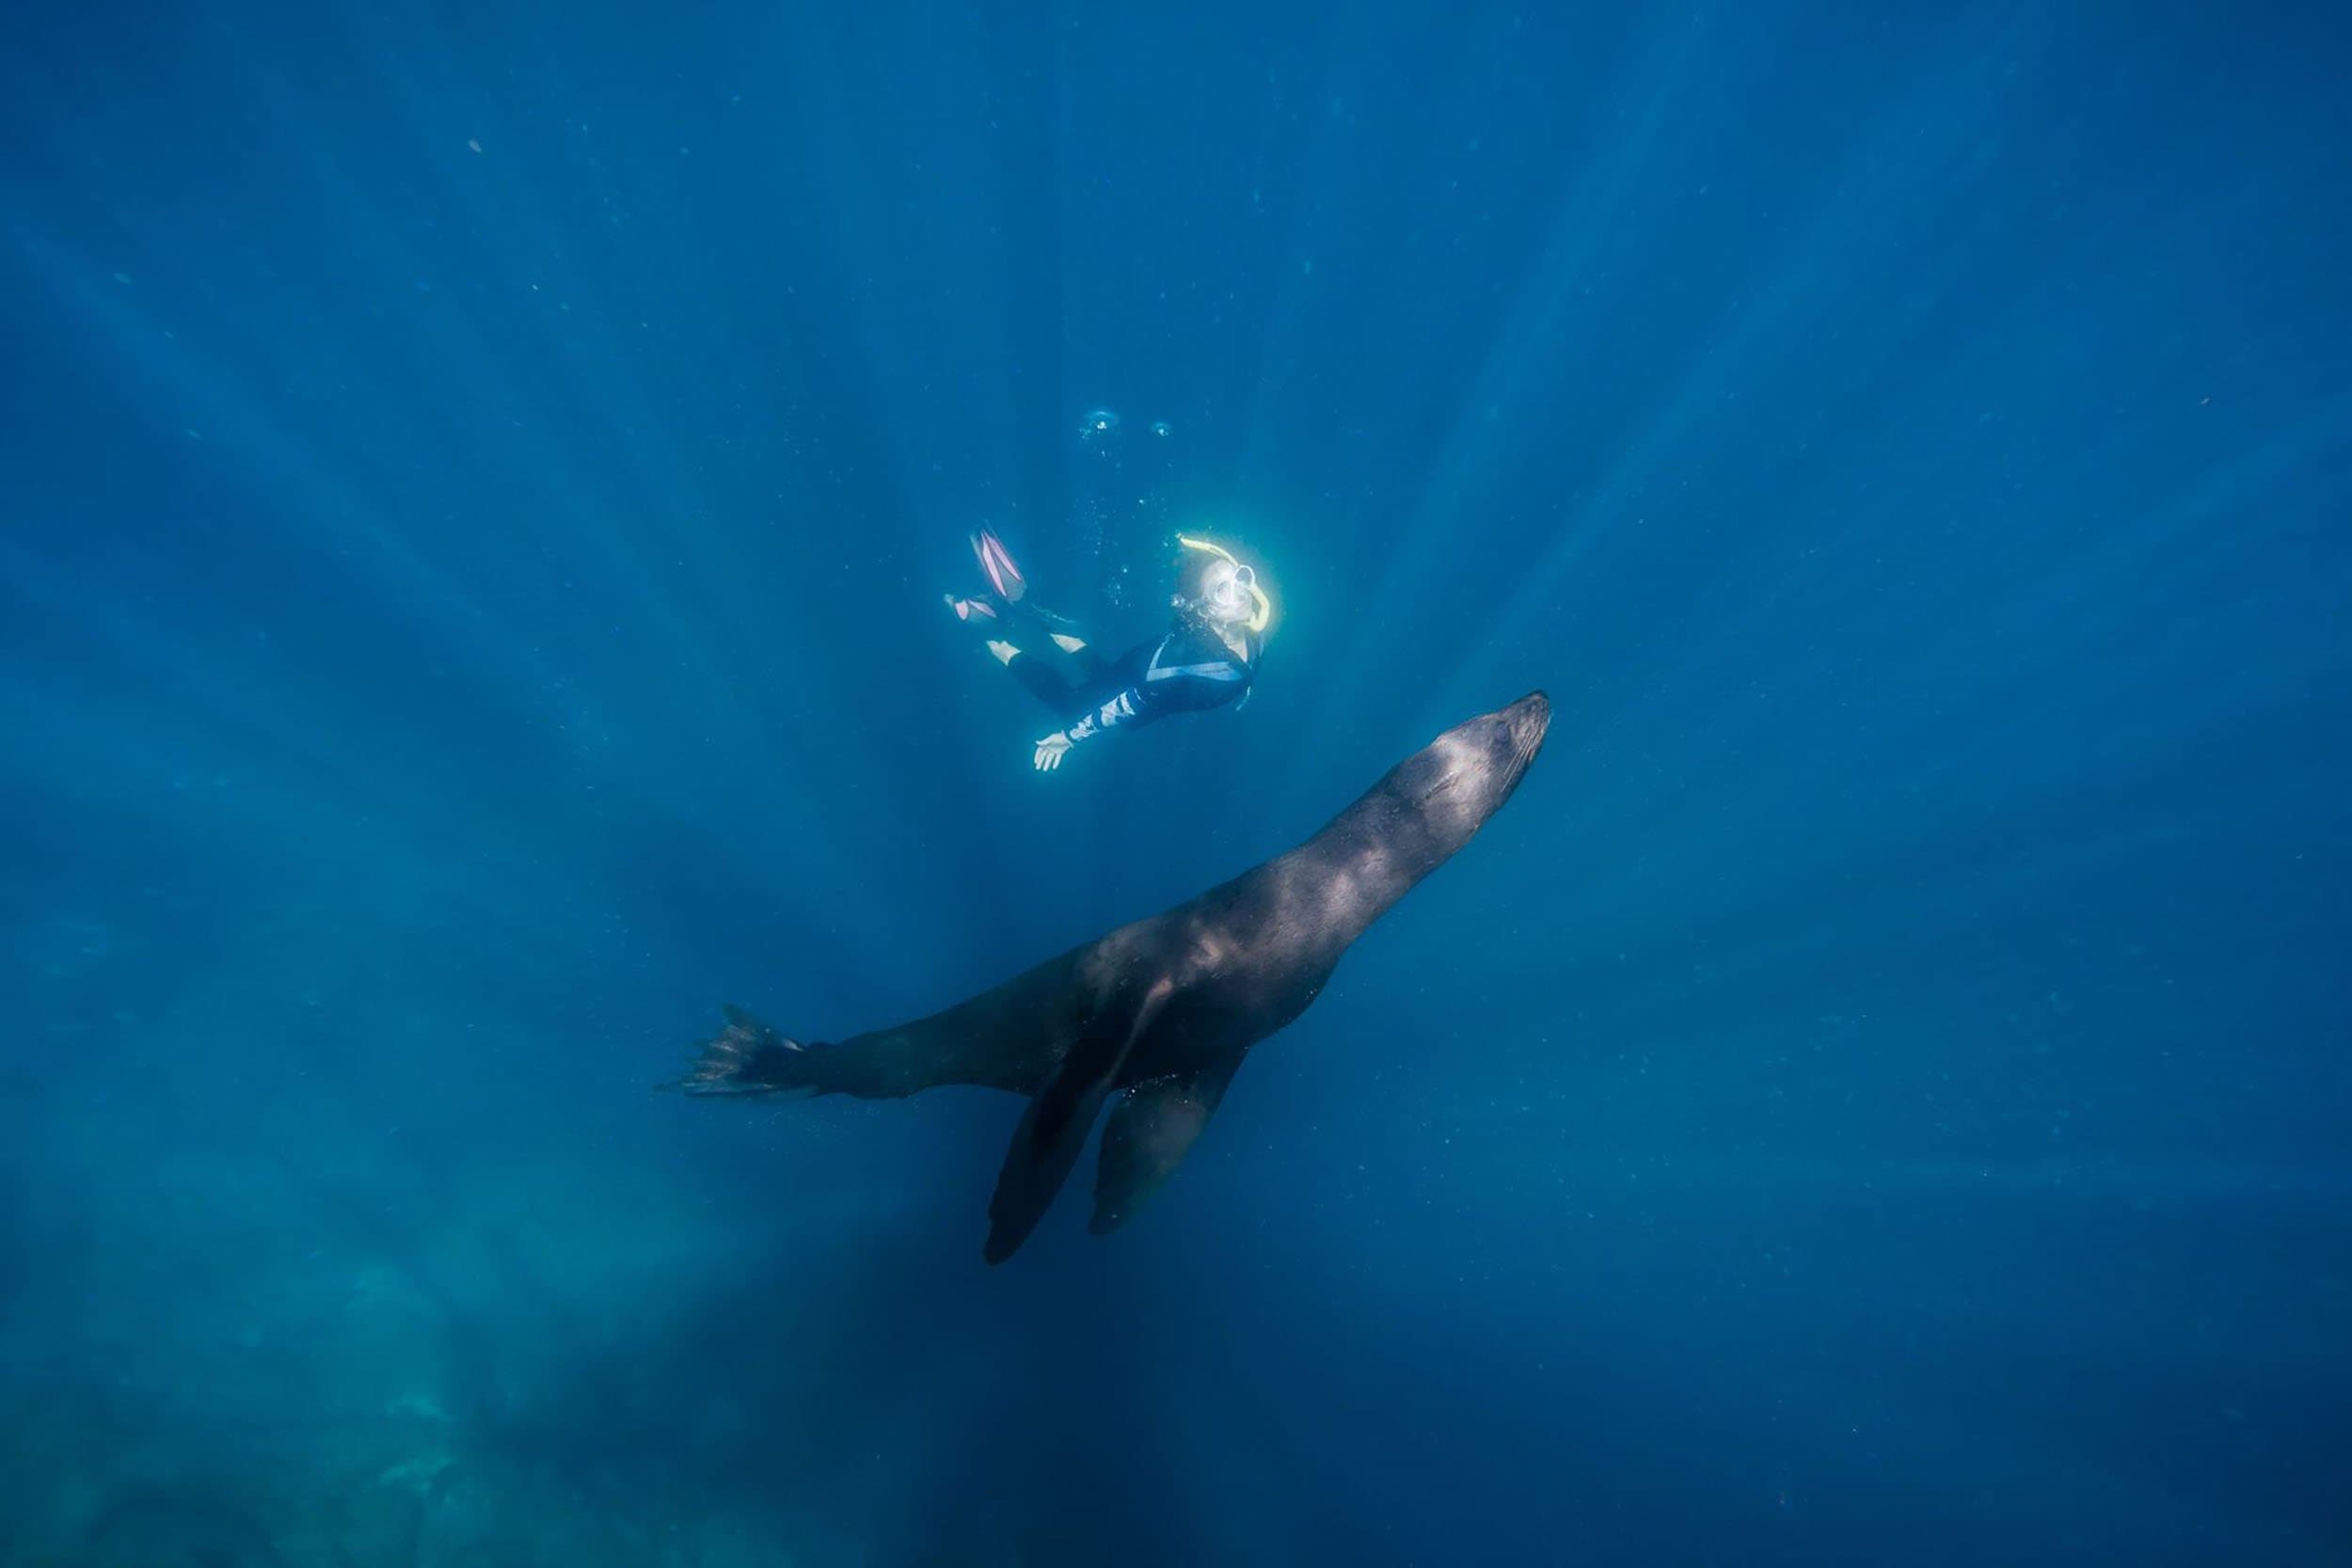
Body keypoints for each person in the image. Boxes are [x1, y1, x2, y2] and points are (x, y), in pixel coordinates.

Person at [946, 528, 1271, 771]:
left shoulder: (1255, 621)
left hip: (1140, 667)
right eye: (1221, 589)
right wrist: (1070, 737)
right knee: (1073, 704)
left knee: (1105, 674)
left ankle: (1025, 607)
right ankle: (996, 642)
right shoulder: (1183, 667)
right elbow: (1130, 702)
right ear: (1204, 611)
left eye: (1240, 578)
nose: (1241, 591)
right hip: (1143, 687)